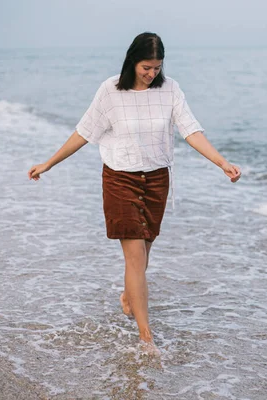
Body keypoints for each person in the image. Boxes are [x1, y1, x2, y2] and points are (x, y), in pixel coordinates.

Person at [27, 32, 241, 352]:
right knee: (135, 255)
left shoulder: (170, 90)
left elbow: (191, 131)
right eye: (146, 67)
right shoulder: (110, 91)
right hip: (120, 179)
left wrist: (221, 162)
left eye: (156, 67)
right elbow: (84, 132)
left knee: (143, 256)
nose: (151, 73)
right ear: (132, 61)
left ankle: (129, 296)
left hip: (156, 180)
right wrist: (49, 163)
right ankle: (146, 336)